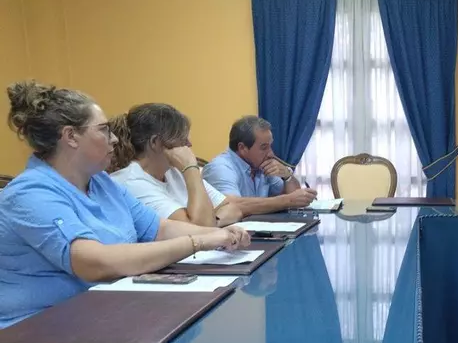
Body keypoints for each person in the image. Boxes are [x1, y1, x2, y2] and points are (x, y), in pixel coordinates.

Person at [0, 80, 251, 328]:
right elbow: (95, 263)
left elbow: (159, 228)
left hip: (104, 313)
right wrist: (198, 242)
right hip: (37, 330)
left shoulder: (101, 182)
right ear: (71, 136)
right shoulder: (30, 193)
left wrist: (217, 234)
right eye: (103, 130)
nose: (115, 139)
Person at [109, 103, 242, 227]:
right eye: (182, 138)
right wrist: (191, 169)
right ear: (155, 142)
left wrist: (213, 221)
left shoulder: (174, 170)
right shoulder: (131, 182)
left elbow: (232, 208)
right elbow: (198, 229)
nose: (189, 144)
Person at [203, 115, 317, 216]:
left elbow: (295, 200)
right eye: (264, 147)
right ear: (242, 148)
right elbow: (231, 206)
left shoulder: (261, 165)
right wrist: (287, 200)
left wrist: (287, 176)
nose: (271, 154)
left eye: (270, 146)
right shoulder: (220, 168)